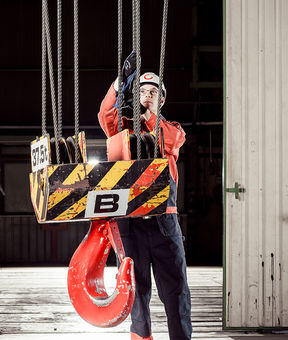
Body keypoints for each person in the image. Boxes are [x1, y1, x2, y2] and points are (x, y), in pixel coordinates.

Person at [97, 52, 192, 340]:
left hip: (164, 225)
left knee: (176, 292)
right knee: (136, 295)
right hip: (131, 225)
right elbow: (105, 114)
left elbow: (167, 140)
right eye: (142, 91)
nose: (147, 96)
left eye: (153, 92)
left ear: (161, 100)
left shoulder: (171, 131)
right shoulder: (122, 129)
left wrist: (148, 117)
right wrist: (119, 84)